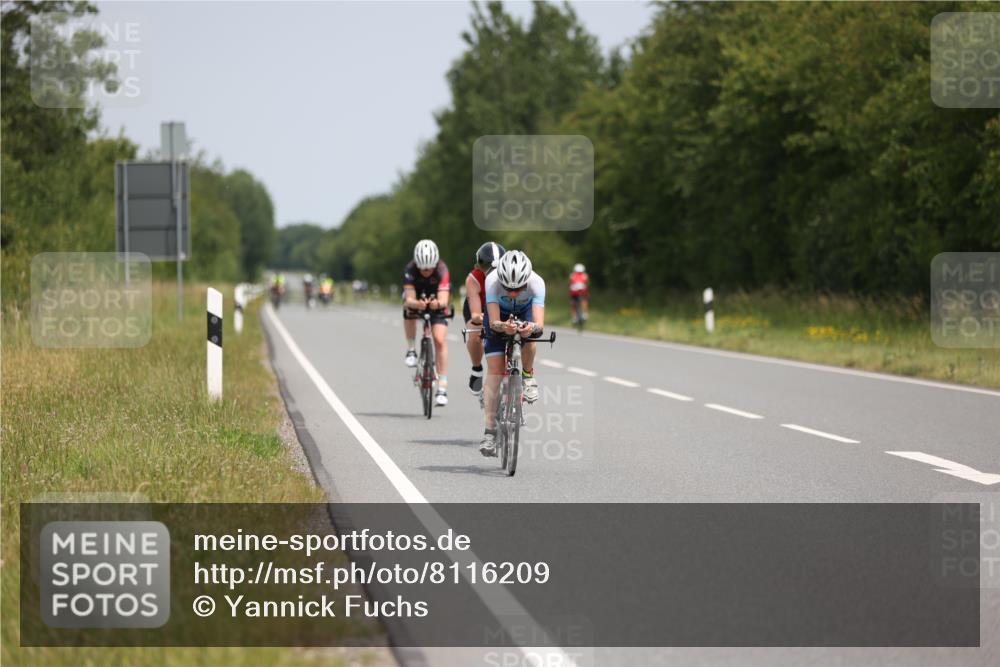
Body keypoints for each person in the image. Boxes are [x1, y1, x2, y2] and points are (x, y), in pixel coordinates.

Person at [479, 250, 545, 457]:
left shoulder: (537, 282)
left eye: (519, 288)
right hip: (499, 314)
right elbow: (494, 321)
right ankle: (489, 432)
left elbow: (539, 324)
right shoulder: (491, 281)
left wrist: (530, 328)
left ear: (527, 281)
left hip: (525, 311)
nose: (514, 293)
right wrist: (502, 326)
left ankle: (528, 376)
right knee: (496, 372)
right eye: (508, 288)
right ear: (501, 281)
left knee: (531, 336)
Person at [402, 239, 452, 407]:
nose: (426, 271)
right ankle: (411, 350)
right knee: (408, 310)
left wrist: (437, 303)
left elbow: (444, 299)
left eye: (429, 268)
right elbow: (409, 298)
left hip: (436, 300)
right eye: (422, 268)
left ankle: (442, 388)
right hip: (417, 299)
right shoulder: (410, 269)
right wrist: (417, 304)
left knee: (439, 339)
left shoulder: (442, 269)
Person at [464, 241, 506, 397]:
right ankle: (477, 369)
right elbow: (475, 314)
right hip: (479, 307)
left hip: (500, 307)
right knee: (475, 335)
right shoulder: (473, 279)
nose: (491, 272)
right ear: (479, 266)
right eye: (487, 267)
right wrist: (480, 317)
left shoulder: (509, 275)